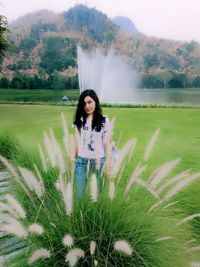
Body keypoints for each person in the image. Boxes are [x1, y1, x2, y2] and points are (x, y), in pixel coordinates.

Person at [71, 89, 111, 196]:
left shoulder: (104, 120)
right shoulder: (79, 120)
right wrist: (73, 159)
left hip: (99, 162)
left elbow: (107, 143)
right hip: (81, 161)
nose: (87, 106)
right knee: (79, 194)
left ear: (95, 102)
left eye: (90, 102)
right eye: (84, 103)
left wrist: (108, 163)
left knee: (98, 195)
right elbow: (76, 140)